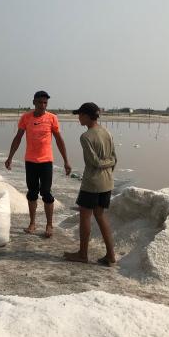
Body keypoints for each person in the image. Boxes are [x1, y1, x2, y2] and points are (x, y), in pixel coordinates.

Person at [5, 91, 71, 238]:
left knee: (46, 192)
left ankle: (49, 225)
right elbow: (18, 138)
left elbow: (59, 140)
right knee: (32, 193)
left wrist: (66, 161)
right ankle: (32, 223)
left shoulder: (52, 118)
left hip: (46, 161)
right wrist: (10, 157)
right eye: (40, 102)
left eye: (45, 103)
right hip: (30, 161)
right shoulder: (26, 118)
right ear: (34, 102)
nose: (42, 105)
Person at [64, 102, 117, 266]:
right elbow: (114, 159)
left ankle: (82, 254)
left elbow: (94, 162)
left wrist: (104, 163)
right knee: (100, 215)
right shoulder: (107, 132)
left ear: (87, 116)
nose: (79, 118)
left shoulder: (86, 137)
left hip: (92, 182)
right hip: (107, 182)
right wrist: (109, 164)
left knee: (85, 216)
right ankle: (110, 255)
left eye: (80, 115)